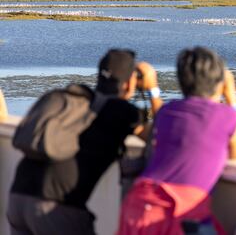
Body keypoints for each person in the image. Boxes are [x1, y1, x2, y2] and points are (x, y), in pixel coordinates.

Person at [7, 49, 163, 235]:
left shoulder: (74, 99)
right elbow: (162, 134)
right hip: (56, 207)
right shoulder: (122, 112)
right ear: (130, 82)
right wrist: (153, 89)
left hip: (18, 196)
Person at [117, 47, 236, 235]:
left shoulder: (167, 112)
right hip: (177, 211)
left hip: (139, 202)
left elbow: (156, 125)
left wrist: (153, 89)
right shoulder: (227, 116)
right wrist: (232, 96)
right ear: (220, 82)